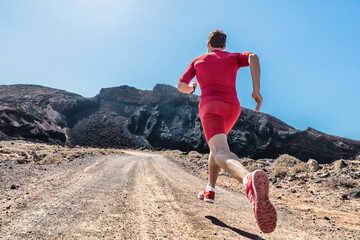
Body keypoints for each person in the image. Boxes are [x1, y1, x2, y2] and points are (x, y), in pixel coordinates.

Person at [177, 30, 277, 233]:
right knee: (217, 150)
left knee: (221, 152)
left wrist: (192, 89)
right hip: (233, 108)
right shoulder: (232, 57)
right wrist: (256, 90)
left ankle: (247, 180)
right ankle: (210, 190)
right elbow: (253, 57)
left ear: (208, 45)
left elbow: (181, 85)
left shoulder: (198, 60)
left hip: (210, 106)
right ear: (223, 46)